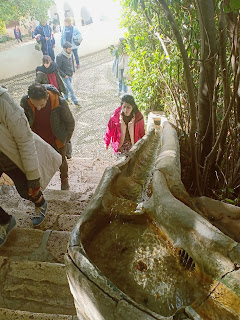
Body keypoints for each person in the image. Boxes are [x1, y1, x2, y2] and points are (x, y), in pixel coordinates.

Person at [0, 86, 48, 246]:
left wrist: (33, 178)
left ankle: (40, 202)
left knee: (26, 191)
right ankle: (5, 222)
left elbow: (25, 140)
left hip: (11, 158)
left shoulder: (3, 102)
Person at [20, 83, 75, 190]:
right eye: (35, 105)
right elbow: (22, 119)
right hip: (38, 139)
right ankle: (38, 184)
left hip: (57, 138)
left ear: (47, 97)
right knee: (38, 161)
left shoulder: (60, 102)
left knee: (61, 161)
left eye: (41, 105)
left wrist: (65, 139)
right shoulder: (25, 102)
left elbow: (70, 123)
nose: (38, 108)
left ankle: (64, 180)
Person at [56, 41, 80, 106]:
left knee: (67, 87)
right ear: (64, 49)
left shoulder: (71, 54)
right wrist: (64, 75)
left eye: (71, 49)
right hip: (65, 76)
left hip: (70, 74)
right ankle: (75, 102)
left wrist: (73, 70)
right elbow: (57, 68)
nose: (70, 50)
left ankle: (65, 98)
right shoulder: (60, 57)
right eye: (69, 49)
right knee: (71, 89)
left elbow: (72, 62)